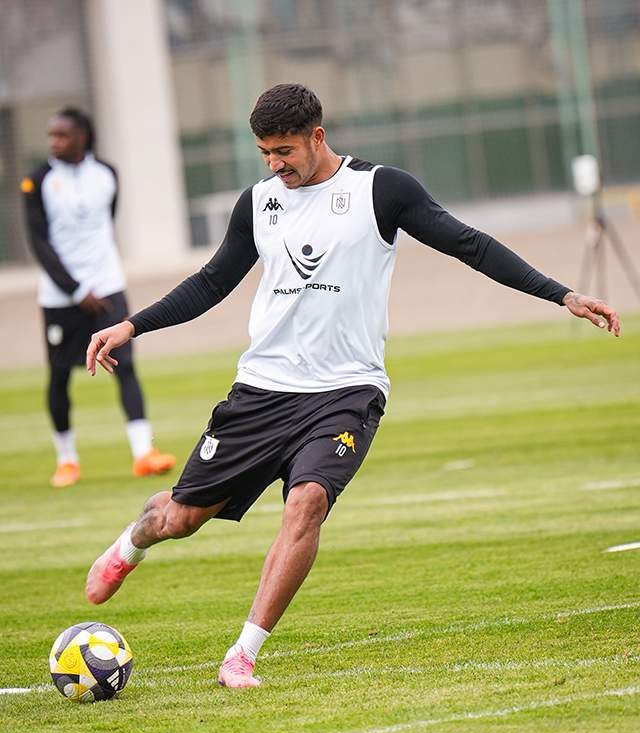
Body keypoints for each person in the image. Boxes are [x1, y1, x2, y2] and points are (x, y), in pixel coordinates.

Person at [83, 84, 620, 688]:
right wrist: (132, 325)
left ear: (317, 136)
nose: (274, 165)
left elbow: (469, 245)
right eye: (265, 153)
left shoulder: (381, 190)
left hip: (347, 391)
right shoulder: (259, 203)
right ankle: (130, 546)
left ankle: (242, 654)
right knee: (181, 518)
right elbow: (211, 283)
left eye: (284, 151)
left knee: (307, 501)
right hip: (262, 389)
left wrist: (562, 294)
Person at [21, 108, 176, 487]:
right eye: (51, 135)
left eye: (62, 135)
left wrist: (96, 284)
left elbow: (107, 222)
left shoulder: (107, 174)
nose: (54, 142)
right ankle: (66, 460)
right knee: (60, 375)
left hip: (108, 289)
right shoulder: (37, 181)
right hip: (61, 297)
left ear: (83, 137)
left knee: (126, 366)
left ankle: (143, 453)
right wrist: (75, 289)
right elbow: (38, 243)